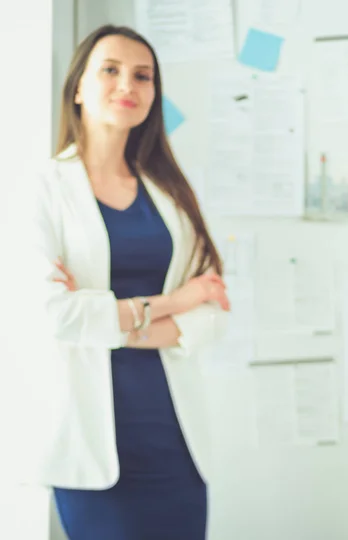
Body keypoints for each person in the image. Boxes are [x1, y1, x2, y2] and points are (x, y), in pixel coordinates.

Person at [11, 24, 230, 540]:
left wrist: (111, 318)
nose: (127, 84)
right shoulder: (41, 189)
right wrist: (174, 302)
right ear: (79, 88)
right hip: (88, 448)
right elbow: (53, 315)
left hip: (174, 440)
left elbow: (213, 312)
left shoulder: (171, 193)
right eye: (109, 70)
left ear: (153, 95)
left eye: (142, 75)